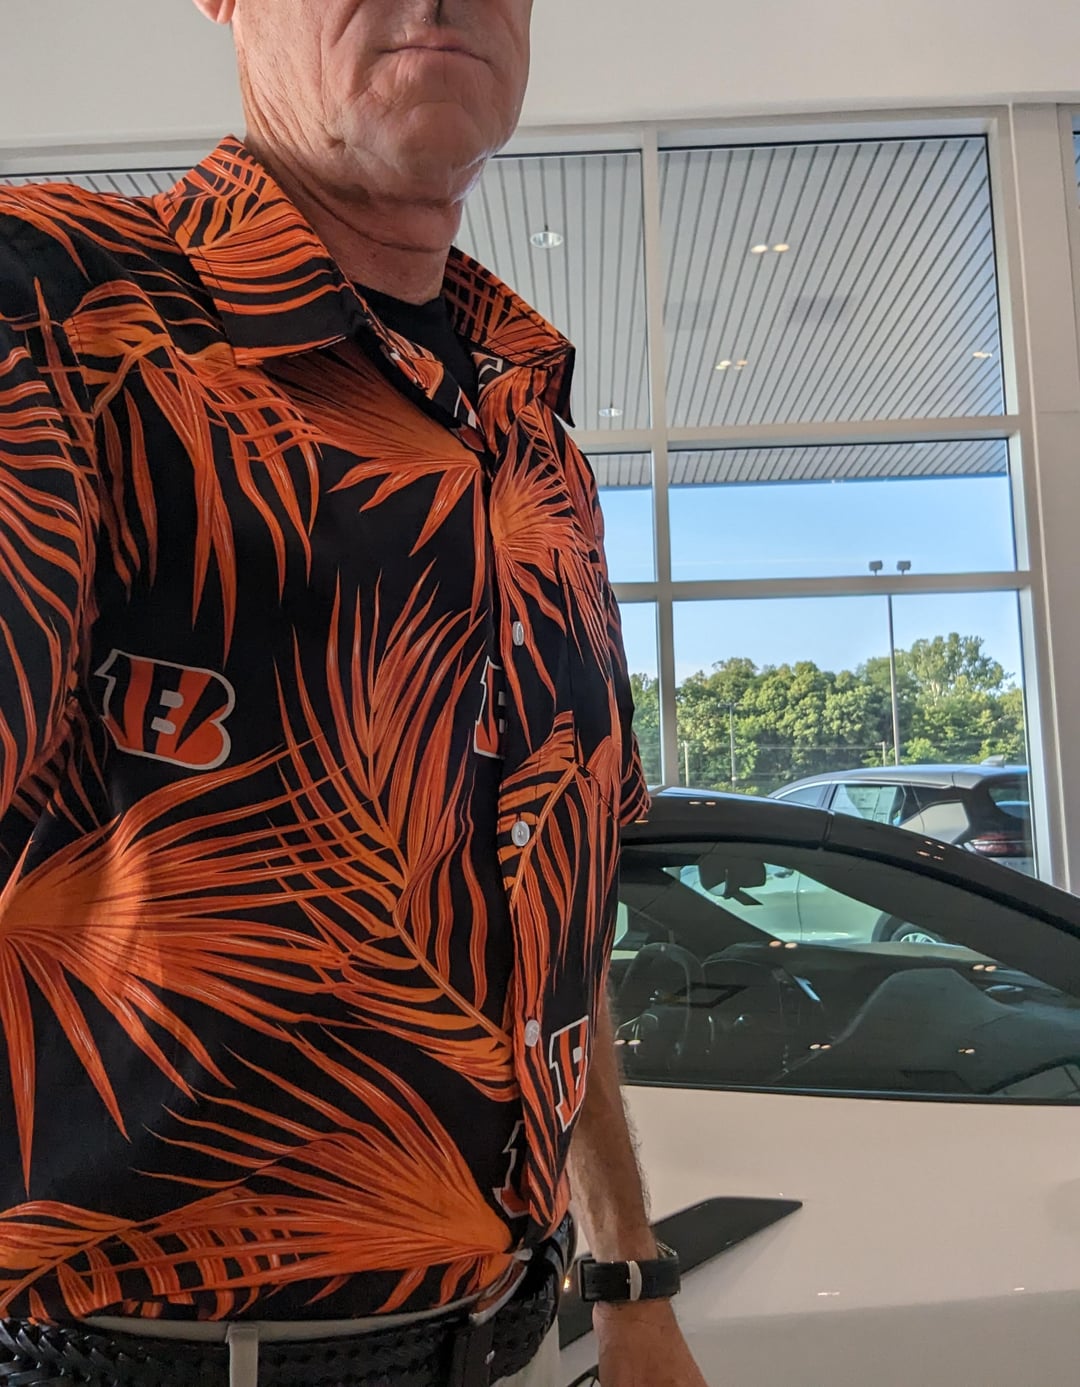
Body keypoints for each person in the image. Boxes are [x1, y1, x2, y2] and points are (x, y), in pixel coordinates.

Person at [0, 3, 709, 1385]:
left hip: (498, 1334)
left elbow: (558, 907)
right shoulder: (57, 312)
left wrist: (627, 1270)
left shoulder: (533, 439)